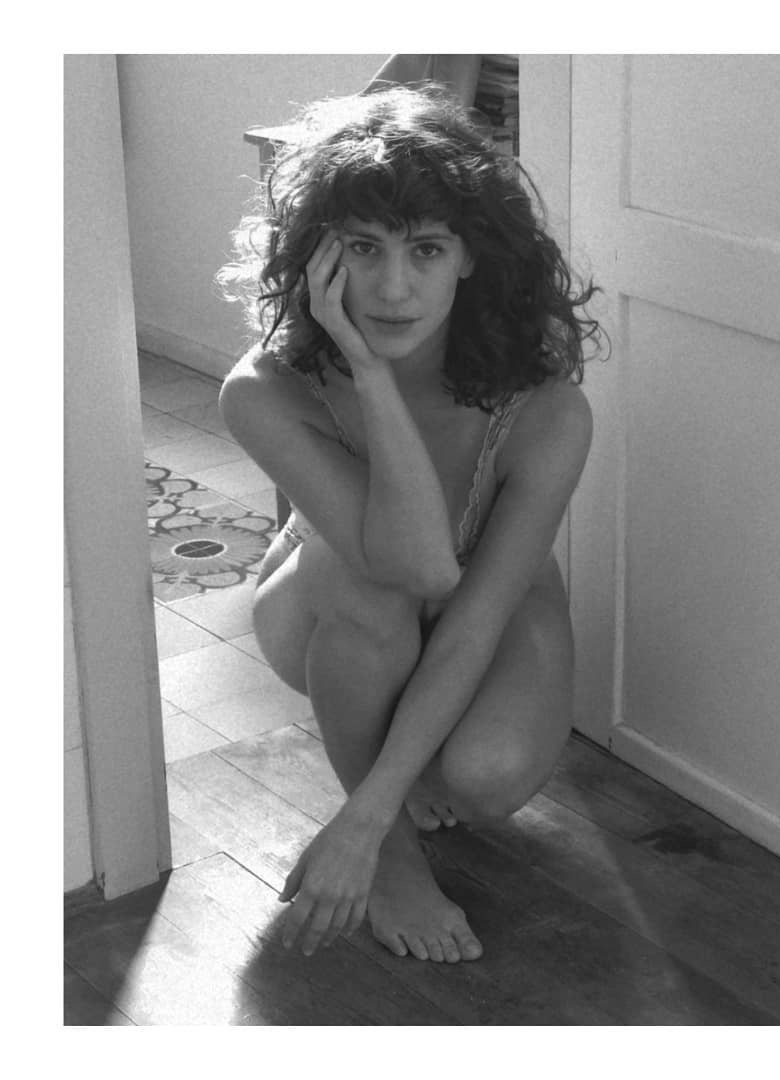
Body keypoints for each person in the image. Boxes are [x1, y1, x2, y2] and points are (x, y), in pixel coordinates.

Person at [216, 84, 603, 964]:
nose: (393, 288)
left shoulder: (545, 410)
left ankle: (390, 774)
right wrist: (367, 370)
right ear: (320, 254)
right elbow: (416, 568)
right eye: (364, 248)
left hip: (487, 605)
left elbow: (464, 608)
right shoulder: (264, 390)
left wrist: (362, 805)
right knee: (374, 580)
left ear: (470, 257)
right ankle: (392, 859)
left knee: (487, 777)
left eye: (426, 248)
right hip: (337, 598)